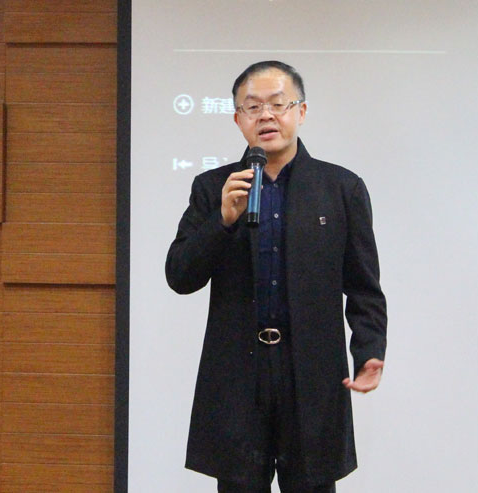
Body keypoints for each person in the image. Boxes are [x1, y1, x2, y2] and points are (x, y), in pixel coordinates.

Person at [165, 60, 387, 493]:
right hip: (238, 374)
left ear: (300, 111)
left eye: (277, 104)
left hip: (311, 372)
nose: (265, 115)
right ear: (237, 120)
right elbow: (180, 275)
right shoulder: (213, 188)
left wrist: (369, 349)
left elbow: (363, 286)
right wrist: (221, 221)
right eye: (252, 107)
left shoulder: (341, 188)